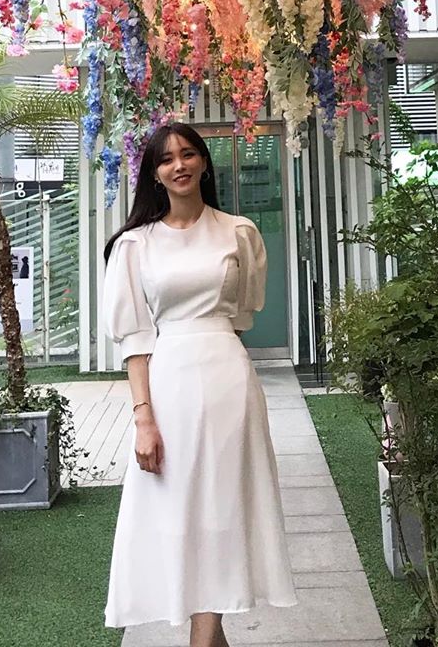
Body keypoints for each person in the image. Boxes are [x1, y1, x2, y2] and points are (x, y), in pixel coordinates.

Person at [101, 122, 297, 646]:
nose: (179, 165)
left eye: (188, 154)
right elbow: (135, 340)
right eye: (166, 159)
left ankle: (201, 640)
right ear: (154, 173)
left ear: (205, 163)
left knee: (224, 511)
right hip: (168, 385)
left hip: (229, 381)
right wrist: (143, 418)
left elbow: (243, 312)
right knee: (180, 516)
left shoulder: (239, 232)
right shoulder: (134, 246)